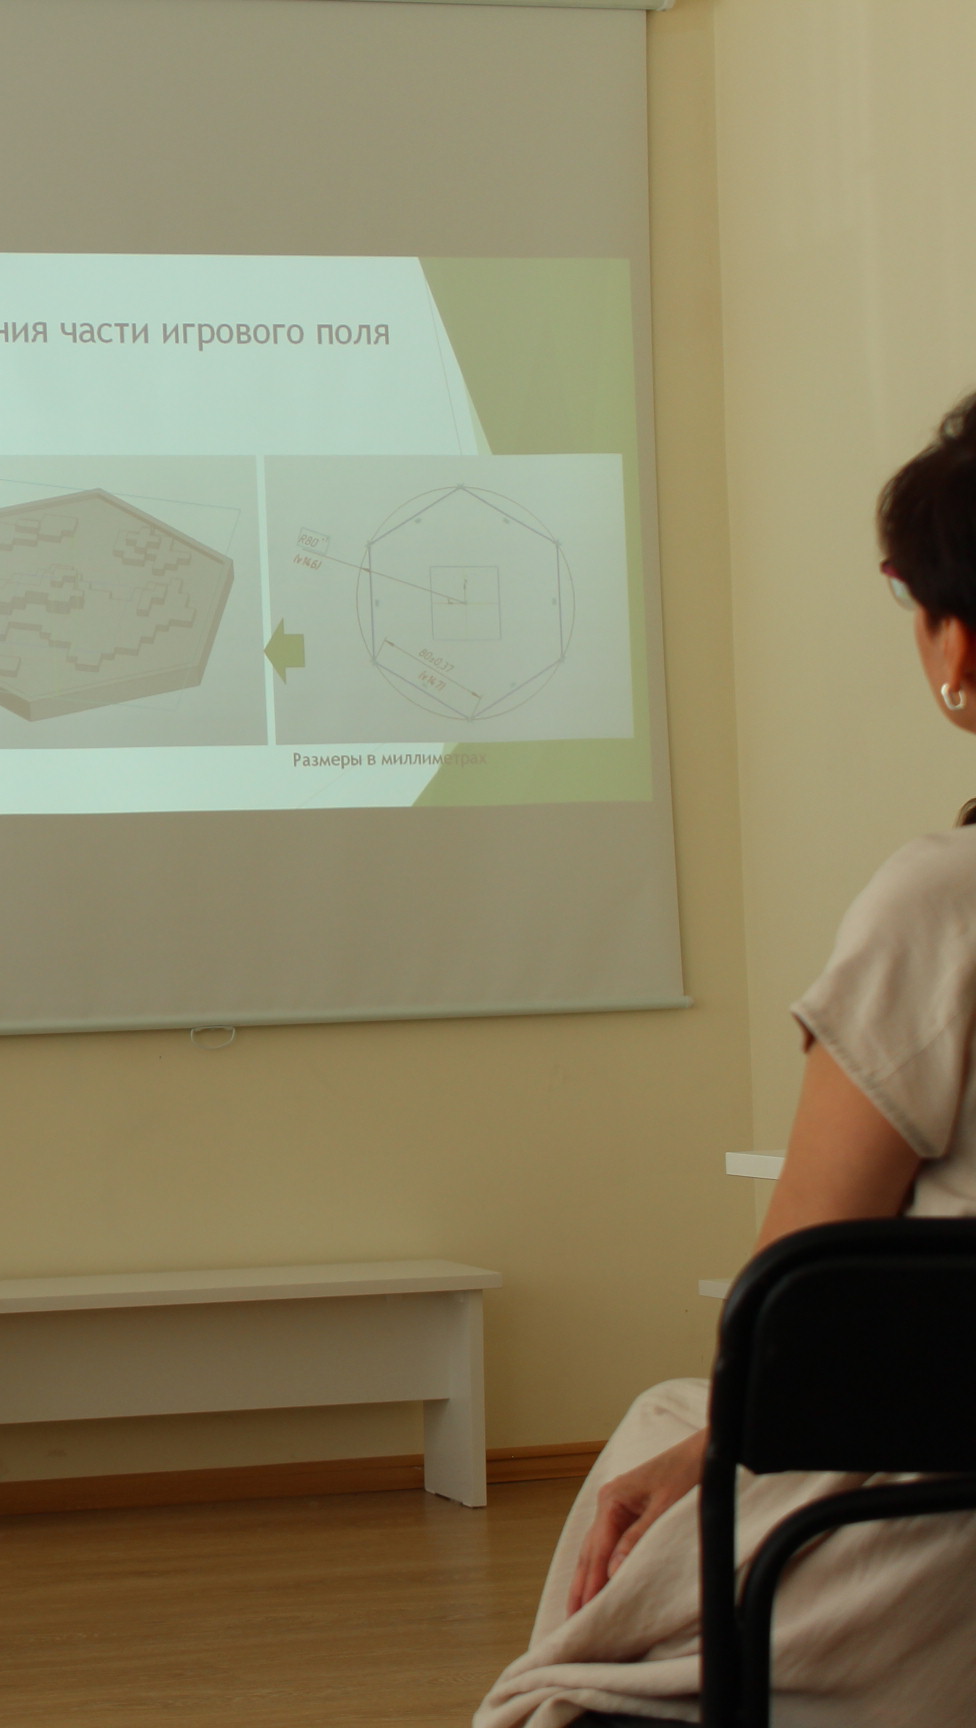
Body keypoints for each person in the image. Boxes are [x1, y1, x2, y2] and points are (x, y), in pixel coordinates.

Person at [478, 398, 976, 1726]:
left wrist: (708, 1450)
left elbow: (796, 1313)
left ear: (959, 643)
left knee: (656, 1445)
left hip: (927, 1547)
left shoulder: (941, 903)